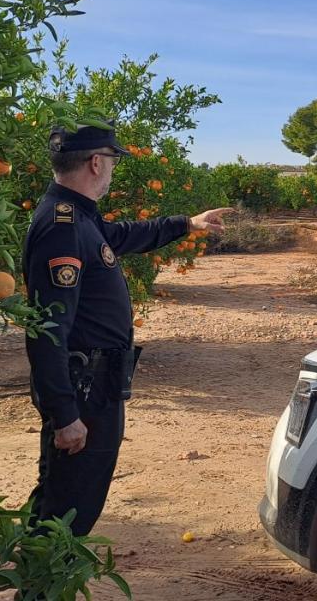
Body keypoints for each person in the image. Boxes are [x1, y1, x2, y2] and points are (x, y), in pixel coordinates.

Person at [23, 122, 233, 536]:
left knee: (73, 505)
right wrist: (65, 415)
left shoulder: (81, 218)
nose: (114, 171)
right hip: (83, 390)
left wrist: (185, 224)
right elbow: (47, 330)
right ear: (97, 163)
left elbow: (123, 236)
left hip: (97, 387)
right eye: (114, 162)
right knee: (65, 512)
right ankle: (40, 587)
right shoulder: (61, 227)